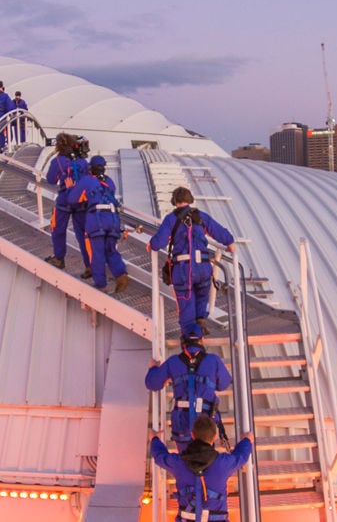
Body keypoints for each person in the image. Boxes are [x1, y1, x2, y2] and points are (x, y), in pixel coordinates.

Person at [146, 187, 236, 334]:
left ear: (174, 201)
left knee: (186, 305)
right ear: (190, 200)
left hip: (183, 270)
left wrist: (151, 244)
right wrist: (230, 243)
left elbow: (159, 242)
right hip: (204, 268)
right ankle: (200, 321)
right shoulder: (201, 216)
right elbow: (217, 230)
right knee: (202, 295)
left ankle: (191, 339)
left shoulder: (171, 219)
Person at [145, 325, 231, 451]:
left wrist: (153, 368)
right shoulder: (213, 360)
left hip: (182, 426)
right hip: (205, 425)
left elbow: (151, 383)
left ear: (182, 341)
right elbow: (224, 384)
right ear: (201, 340)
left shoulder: (173, 362)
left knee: (184, 462)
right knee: (205, 459)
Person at [150, 417, 253, 522]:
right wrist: (247, 440)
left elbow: (160, 456)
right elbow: (241, 456)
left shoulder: (178, 462)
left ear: (192, 435)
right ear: (214, 437)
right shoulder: (223, 463)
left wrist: (154, 439)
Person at [73, 156, 130, 293]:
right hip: (113, 220)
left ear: (90, 168)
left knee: (97, 253)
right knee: (111, 250)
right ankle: (121, 275)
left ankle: (101, 284)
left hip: (96, 220)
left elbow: (72, 199)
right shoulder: (109, 182)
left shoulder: (87, 181)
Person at [43, 133, 90, 275]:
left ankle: (59, 258)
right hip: (81, 202)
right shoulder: (83, 162)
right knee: (83, 235)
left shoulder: (58, 161)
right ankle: (90, 265)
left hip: (64, 201)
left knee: (58, 229)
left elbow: (51, 179)